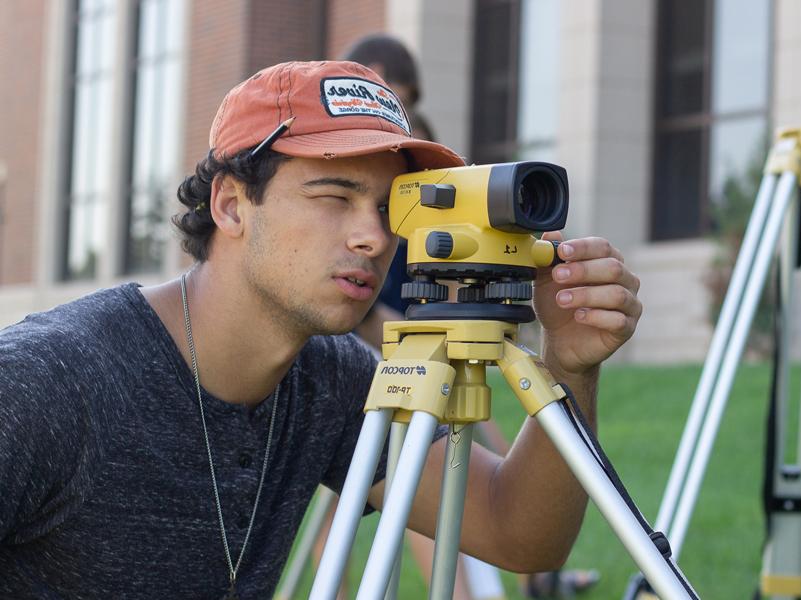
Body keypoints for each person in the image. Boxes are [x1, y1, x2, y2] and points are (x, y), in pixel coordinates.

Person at [0, 60, 643, 598]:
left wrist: (570, 365)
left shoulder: (333, 378)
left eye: (391, 208)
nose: (373, 236)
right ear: (229, 205)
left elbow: (518, 533)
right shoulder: (48, 382)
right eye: (333, 197)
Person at [341, 35, 599, 599]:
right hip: (376, 339)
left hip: (425, 322)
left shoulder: (420, 160)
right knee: (394, 481)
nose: (392, 116)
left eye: (402, 101)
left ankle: (538, 578)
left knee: (488, 449)